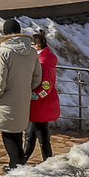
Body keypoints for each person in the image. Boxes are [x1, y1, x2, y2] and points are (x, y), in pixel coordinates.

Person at [0, 18, 41, 169]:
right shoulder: (32, 52)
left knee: (9, 137)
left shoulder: (3, 52)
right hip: (22, 100)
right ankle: (17, 166)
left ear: (5, 33)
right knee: (16, 135)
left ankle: (16, 168)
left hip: (5, 101)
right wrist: (25, 89)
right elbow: (37, 78)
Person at [23, 29, 60, 162]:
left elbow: (46, 86)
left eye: (31, 45)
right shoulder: (43, 59)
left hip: (41, 106)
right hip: (39, 106)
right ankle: (20, 163)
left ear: (37, 47)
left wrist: (33, 96)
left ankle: (46, 163)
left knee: (40, 139)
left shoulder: (43, 63)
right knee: (31, 136)